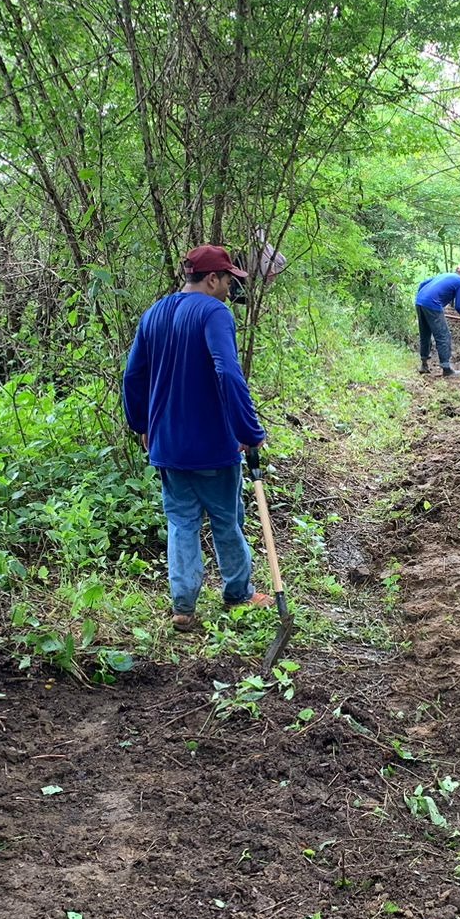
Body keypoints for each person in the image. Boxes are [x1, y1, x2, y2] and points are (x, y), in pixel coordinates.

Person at [122, 244, 272, 632]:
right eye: (227, 280)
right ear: (211, 279)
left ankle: (184, 608)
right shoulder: (213, 312)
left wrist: (141, 424)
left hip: (166, 443)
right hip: (212, 443)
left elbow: (133, 376)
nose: (229, 289)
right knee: (226, 519)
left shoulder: (154, 313)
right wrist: (249, 431)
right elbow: (228, 372)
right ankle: (238, 593)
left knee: (181, 522)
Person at [414, 264, 460, 376]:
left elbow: (422, 284)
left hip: (420, 301)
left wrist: (423, 299)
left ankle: (424, 365)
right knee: (443, 336)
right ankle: (447, 368)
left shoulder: (446, 275)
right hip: (432, 304)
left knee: (425, 334)